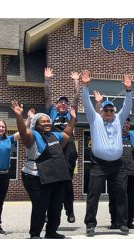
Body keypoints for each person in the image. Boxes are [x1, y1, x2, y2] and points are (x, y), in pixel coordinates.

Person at [11, 100, 76, 239]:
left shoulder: (54, 135)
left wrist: (73, 119)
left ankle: (51, 231)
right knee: (41, 204)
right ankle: (35, 233)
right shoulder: (32, 136)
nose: (47, 124)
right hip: (34, 176)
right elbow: (23, 132)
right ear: (36, 125)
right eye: (43, 122)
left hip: (54, 175)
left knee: (56, 204)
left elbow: (66, 134)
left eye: (48, 121)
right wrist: (18, 117)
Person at [81, 69, 133, 236]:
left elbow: (128, 106)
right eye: (106, 110)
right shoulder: (94, 119)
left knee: (120, 194)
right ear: (101, 111)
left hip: (118, 165)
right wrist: (85, 87)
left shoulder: (119, 119)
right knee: (93, 194)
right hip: (99, 165)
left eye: (111, 110)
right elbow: (87, 104)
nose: (109, 112)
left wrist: (128, 90)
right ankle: (90, 224)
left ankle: (122, 223)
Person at [92, 90, 134, 229]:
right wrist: (98, 103)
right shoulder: (111, 133)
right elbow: (98, 118)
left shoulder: (133, 136)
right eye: (123, 123)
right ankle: (115, 221)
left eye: (127, 124)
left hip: (130, 172)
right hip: (115, 170)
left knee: (132, 198)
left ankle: (128, 221)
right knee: (114, 198)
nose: (125, 125)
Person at [44, 67, 80, 223]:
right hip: (54, 148)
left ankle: (70, 211)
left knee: (66, 181)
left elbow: (77, 97)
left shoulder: (70, 113)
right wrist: (47, 80)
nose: (63, 104)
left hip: (69, 150)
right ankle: (51, 213)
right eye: (60, 102)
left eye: (66, 103)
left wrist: (76, 82)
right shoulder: (51, 113)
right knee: (53, 182)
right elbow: (47, 96)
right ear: (56, 105)